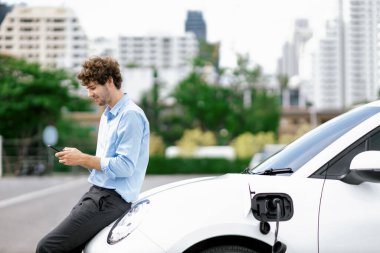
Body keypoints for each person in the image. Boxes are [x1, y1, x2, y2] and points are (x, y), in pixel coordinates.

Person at [36, 56, 150, 253]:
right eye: (87, 88)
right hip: (97, 194)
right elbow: (105, 163)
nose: (89, 94)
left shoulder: (130, 115)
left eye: (92, 87)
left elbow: (125, 167)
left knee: (47, 247)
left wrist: (83, 158)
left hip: (111, 200)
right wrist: (79, 157)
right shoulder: (107, 114)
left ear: (109, 81)